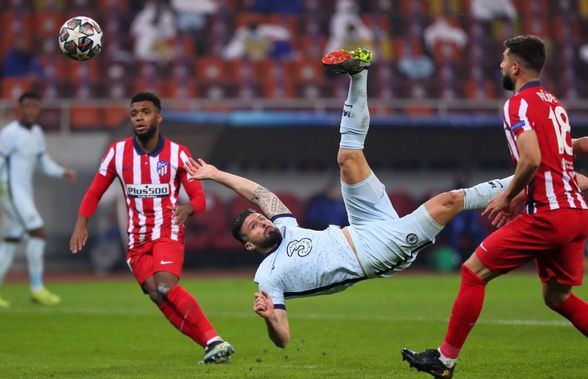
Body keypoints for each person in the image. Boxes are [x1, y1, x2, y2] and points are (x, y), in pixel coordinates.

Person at [184, 48, 518, 348]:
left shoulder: (285, 228)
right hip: (376, 254)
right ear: (249, 246)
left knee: (347, 158)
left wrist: (216, 175)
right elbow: (284, 339)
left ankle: (358, 75)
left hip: (362, 227)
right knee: (447, 201)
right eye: (254, 229)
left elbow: (259, 194)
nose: (262, 222)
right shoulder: (269, 275)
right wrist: (270, 317)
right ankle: (526, 181)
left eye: (259, 218)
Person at [401, 35, 588, 379]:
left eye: (504, 60)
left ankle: (444, 361)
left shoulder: (517, 104)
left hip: (549, 214)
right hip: (577, 213)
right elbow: (555, 158)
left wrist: (507, 195)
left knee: (474, 272)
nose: (500, 66)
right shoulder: (554, 103)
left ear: (516, 67)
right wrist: (522, 194)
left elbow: (531, 160)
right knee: (558, 296)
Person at [69, 92, 234, 364]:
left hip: (167, 231)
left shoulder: (179, 154)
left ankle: (214, 338)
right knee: (156, 295)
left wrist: (188, 208)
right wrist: (81, 222)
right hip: (136, 240)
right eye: (134, 114)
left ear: (158, 117)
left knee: (166, 286)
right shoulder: (117, 153)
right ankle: (210, 345)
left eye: (145, 112)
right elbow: (94, 192)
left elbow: (199, 199)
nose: (139, 118)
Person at [0, 91, 76, 307]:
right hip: (9, 190)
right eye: (27, 107)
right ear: (19, 109)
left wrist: (62, 172)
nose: (31, 111)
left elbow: (44, 162)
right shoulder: (9, 133)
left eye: (35, 107)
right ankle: (37, 287)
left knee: (11, 241)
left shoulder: (37, 133)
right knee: (38, 232)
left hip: (23, 191)